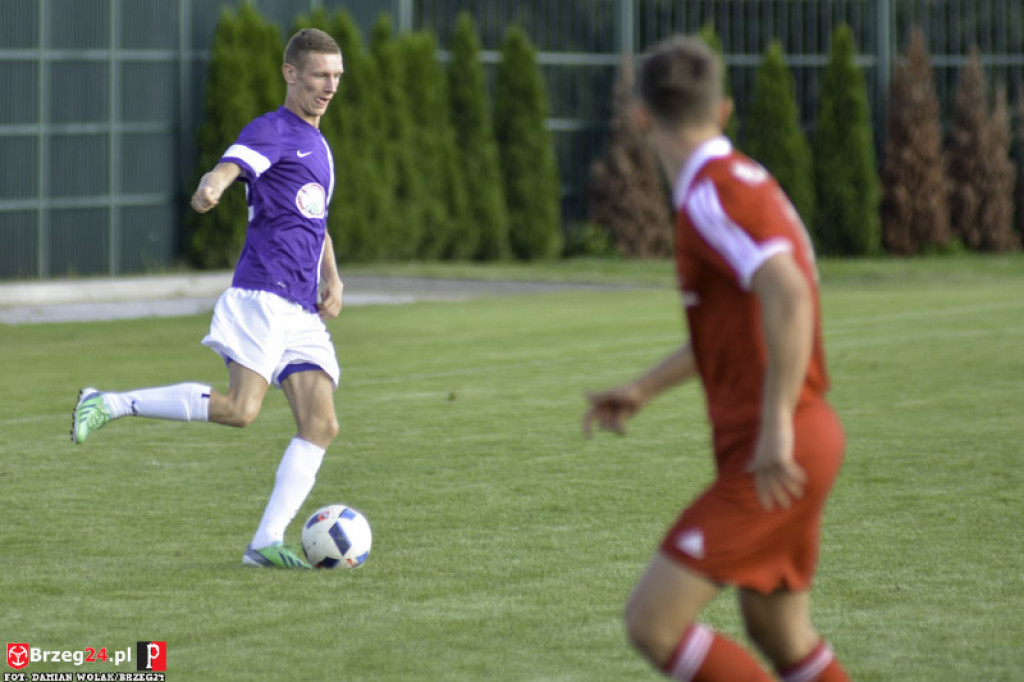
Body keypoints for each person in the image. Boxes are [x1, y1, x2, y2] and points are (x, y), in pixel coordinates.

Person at [583, 37, 850, 681]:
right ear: (724, 109)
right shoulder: (737, 182)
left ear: (641, 117)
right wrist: (646, 388)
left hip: (778, 443)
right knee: (779, 631)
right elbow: (739, 326)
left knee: (653, 621)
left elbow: (785, 291)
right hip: (793, 436)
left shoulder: (712, 193)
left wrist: (776, 423)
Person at [71, 28, 346, 570]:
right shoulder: (273, 129)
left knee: (321, 425)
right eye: (319, 74)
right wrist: (214, 185)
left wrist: (333, 277)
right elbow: (232, 164)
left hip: (299, 308)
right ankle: (107, 402)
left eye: (336, 77)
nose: (329, 86)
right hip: (262, 296)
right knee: (241, 411)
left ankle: (265, 542)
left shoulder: (320, 145)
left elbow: (317, 221)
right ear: (291, 73)